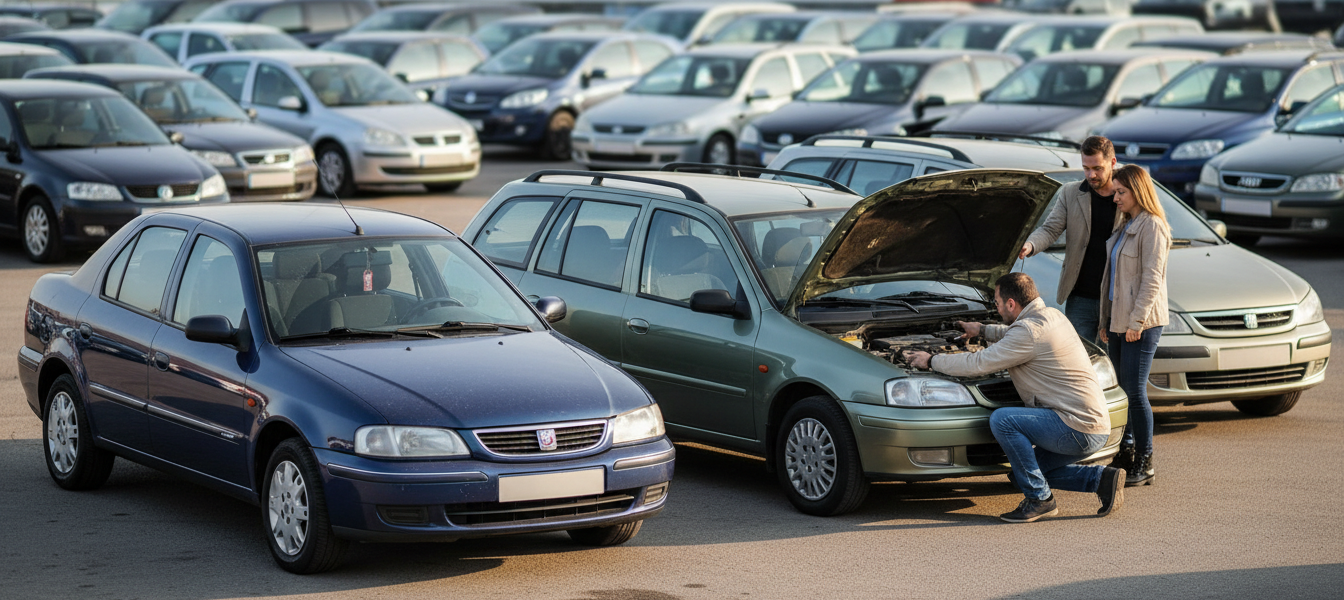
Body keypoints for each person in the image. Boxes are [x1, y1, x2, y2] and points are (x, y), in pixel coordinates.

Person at [906, 273, 1124, 523]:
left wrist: (932, 360)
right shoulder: (1052, 316)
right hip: (1094, 425)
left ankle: (1040, 500)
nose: (995, 308)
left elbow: (980, 362)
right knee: (1024, 473)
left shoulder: (1028, 332)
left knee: (1003, 421)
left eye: (997, 303)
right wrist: (983, 330)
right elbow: (1017, 334)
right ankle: (1102, 479)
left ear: (1011, 304)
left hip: (1077, 428)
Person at [1099, 164, 1170, 487]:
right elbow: (1111, 280)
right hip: (1118, 321)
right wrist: (1106, 321)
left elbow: (1152, 279)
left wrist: (1137, 321)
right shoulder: (1125, 224)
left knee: (1135, 392)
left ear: (1138, 191)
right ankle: (1125, 452)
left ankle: (1146, 459)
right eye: (1115, 192)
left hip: (1141, 323)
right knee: (1122, 391)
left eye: (1121, 192)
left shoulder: (1152, 227)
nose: (1116, 198)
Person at [1019, 136, 1123, 343]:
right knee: (1079, 361)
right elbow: (1050, 229)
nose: (1091, 174)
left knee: (1111, 365)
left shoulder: (1128, 193)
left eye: (1097, 168)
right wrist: (1029, 245)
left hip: (1117, 298)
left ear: (1112, 163)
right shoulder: (1070, 192)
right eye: (1086, 168)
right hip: (1080, 296)